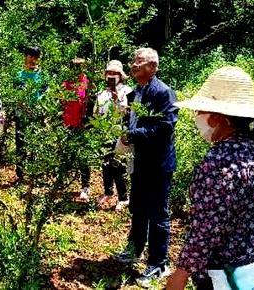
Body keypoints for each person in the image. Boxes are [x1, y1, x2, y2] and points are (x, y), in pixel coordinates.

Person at [165, 66, 254, 290]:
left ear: (217, 118)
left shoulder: (220, 162)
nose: (197, 118)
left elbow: (205, 230)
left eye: (200, 112)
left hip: (227, 276)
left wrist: (180, 275)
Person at [114, 48, 178, 287]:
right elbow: (132, 120)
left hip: (159, 164)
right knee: (138, 207)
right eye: (133, 61)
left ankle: (158, 263)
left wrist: (133, 134)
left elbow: (165, 128)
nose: (133, 65)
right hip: (139, 160)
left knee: (158, 214)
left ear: (153, 66)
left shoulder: (163, 93)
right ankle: (134, 249)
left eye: (139, 62)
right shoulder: (135, 92)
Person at [94, 60, 133, 210]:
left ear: (121, 75)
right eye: (109, 73)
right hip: (104, 132)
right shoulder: (102, 93)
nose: (112, 76)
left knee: (117, 165)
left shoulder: (128, 91)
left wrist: (117, 100)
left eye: (115, 73)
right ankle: (108, 192)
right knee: (105, 163)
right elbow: (97, 112)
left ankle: (123, 197)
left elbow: (128, 112)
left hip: (120, 132)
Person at [14, 46, 47, 180]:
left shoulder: (42, 75)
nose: (33, 60)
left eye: (36, 57)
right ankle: (20, 173)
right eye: (31, 56)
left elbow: (46, 94)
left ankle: (35, 172)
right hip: (22, 113)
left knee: (36, 142)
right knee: (21, 143)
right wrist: (26, 108)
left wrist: (41, 110)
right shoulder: (19, 75)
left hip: (37, 113)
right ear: (25, 57)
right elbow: (16, 95)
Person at [61, 57, 92, 201]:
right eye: (74, 67)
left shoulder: (87, 82)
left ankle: (85, 186)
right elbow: (61, 103)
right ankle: (63, 183)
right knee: (66, 154)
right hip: (68, 123)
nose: (77, 70)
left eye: (79, 67)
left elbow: (90, 103)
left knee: (83, 157)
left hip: (82, 125)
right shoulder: (66, 83)